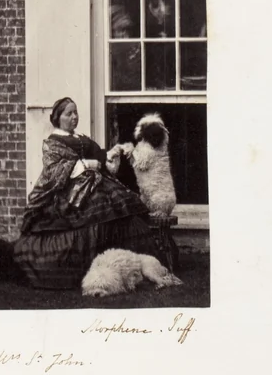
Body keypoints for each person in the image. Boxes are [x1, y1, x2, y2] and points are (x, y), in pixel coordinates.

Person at [13, 96, 161, 290]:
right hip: (68, 189)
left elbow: (100, 155)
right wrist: (85, 164)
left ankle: (128, 267)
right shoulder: (52, 143)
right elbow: (55, 170)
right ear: (58, 118)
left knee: (117, 204)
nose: (74, 117)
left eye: (76, 113)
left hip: (95, 183)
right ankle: (84, 271)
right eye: (69, 113)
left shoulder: (81, 138)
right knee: (88, 212)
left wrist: (110, 156)